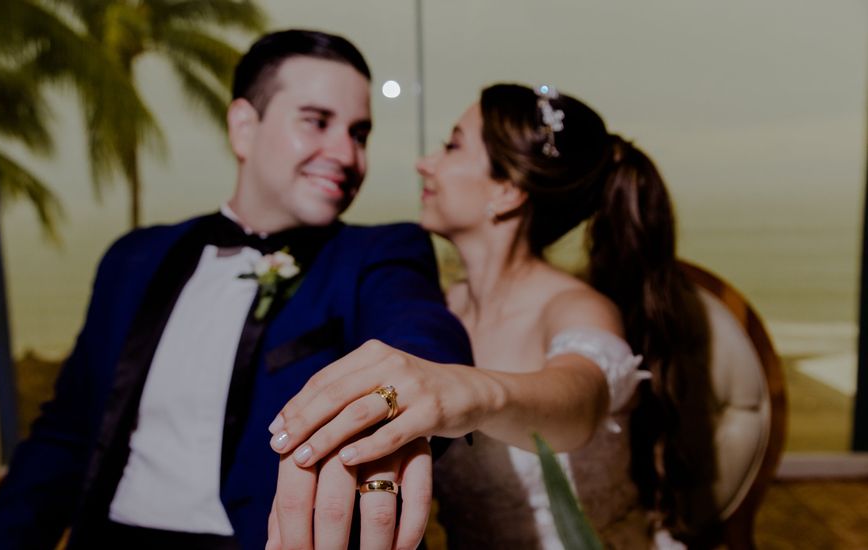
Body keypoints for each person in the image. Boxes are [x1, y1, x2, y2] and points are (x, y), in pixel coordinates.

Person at [0, 29, 472, 550]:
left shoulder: (380, 254)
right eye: (317, 122)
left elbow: (419, 341)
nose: (346, 154)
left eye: (359, 133)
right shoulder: (132, 259)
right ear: (243, 128)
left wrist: (415, 393)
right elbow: (66, 434)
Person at [269, 83, 717, 548]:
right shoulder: (433, 310)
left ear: (505, 190)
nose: (425, 164)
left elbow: (580, 403)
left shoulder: (575, 307)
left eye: (452, 145)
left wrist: (469, 390)